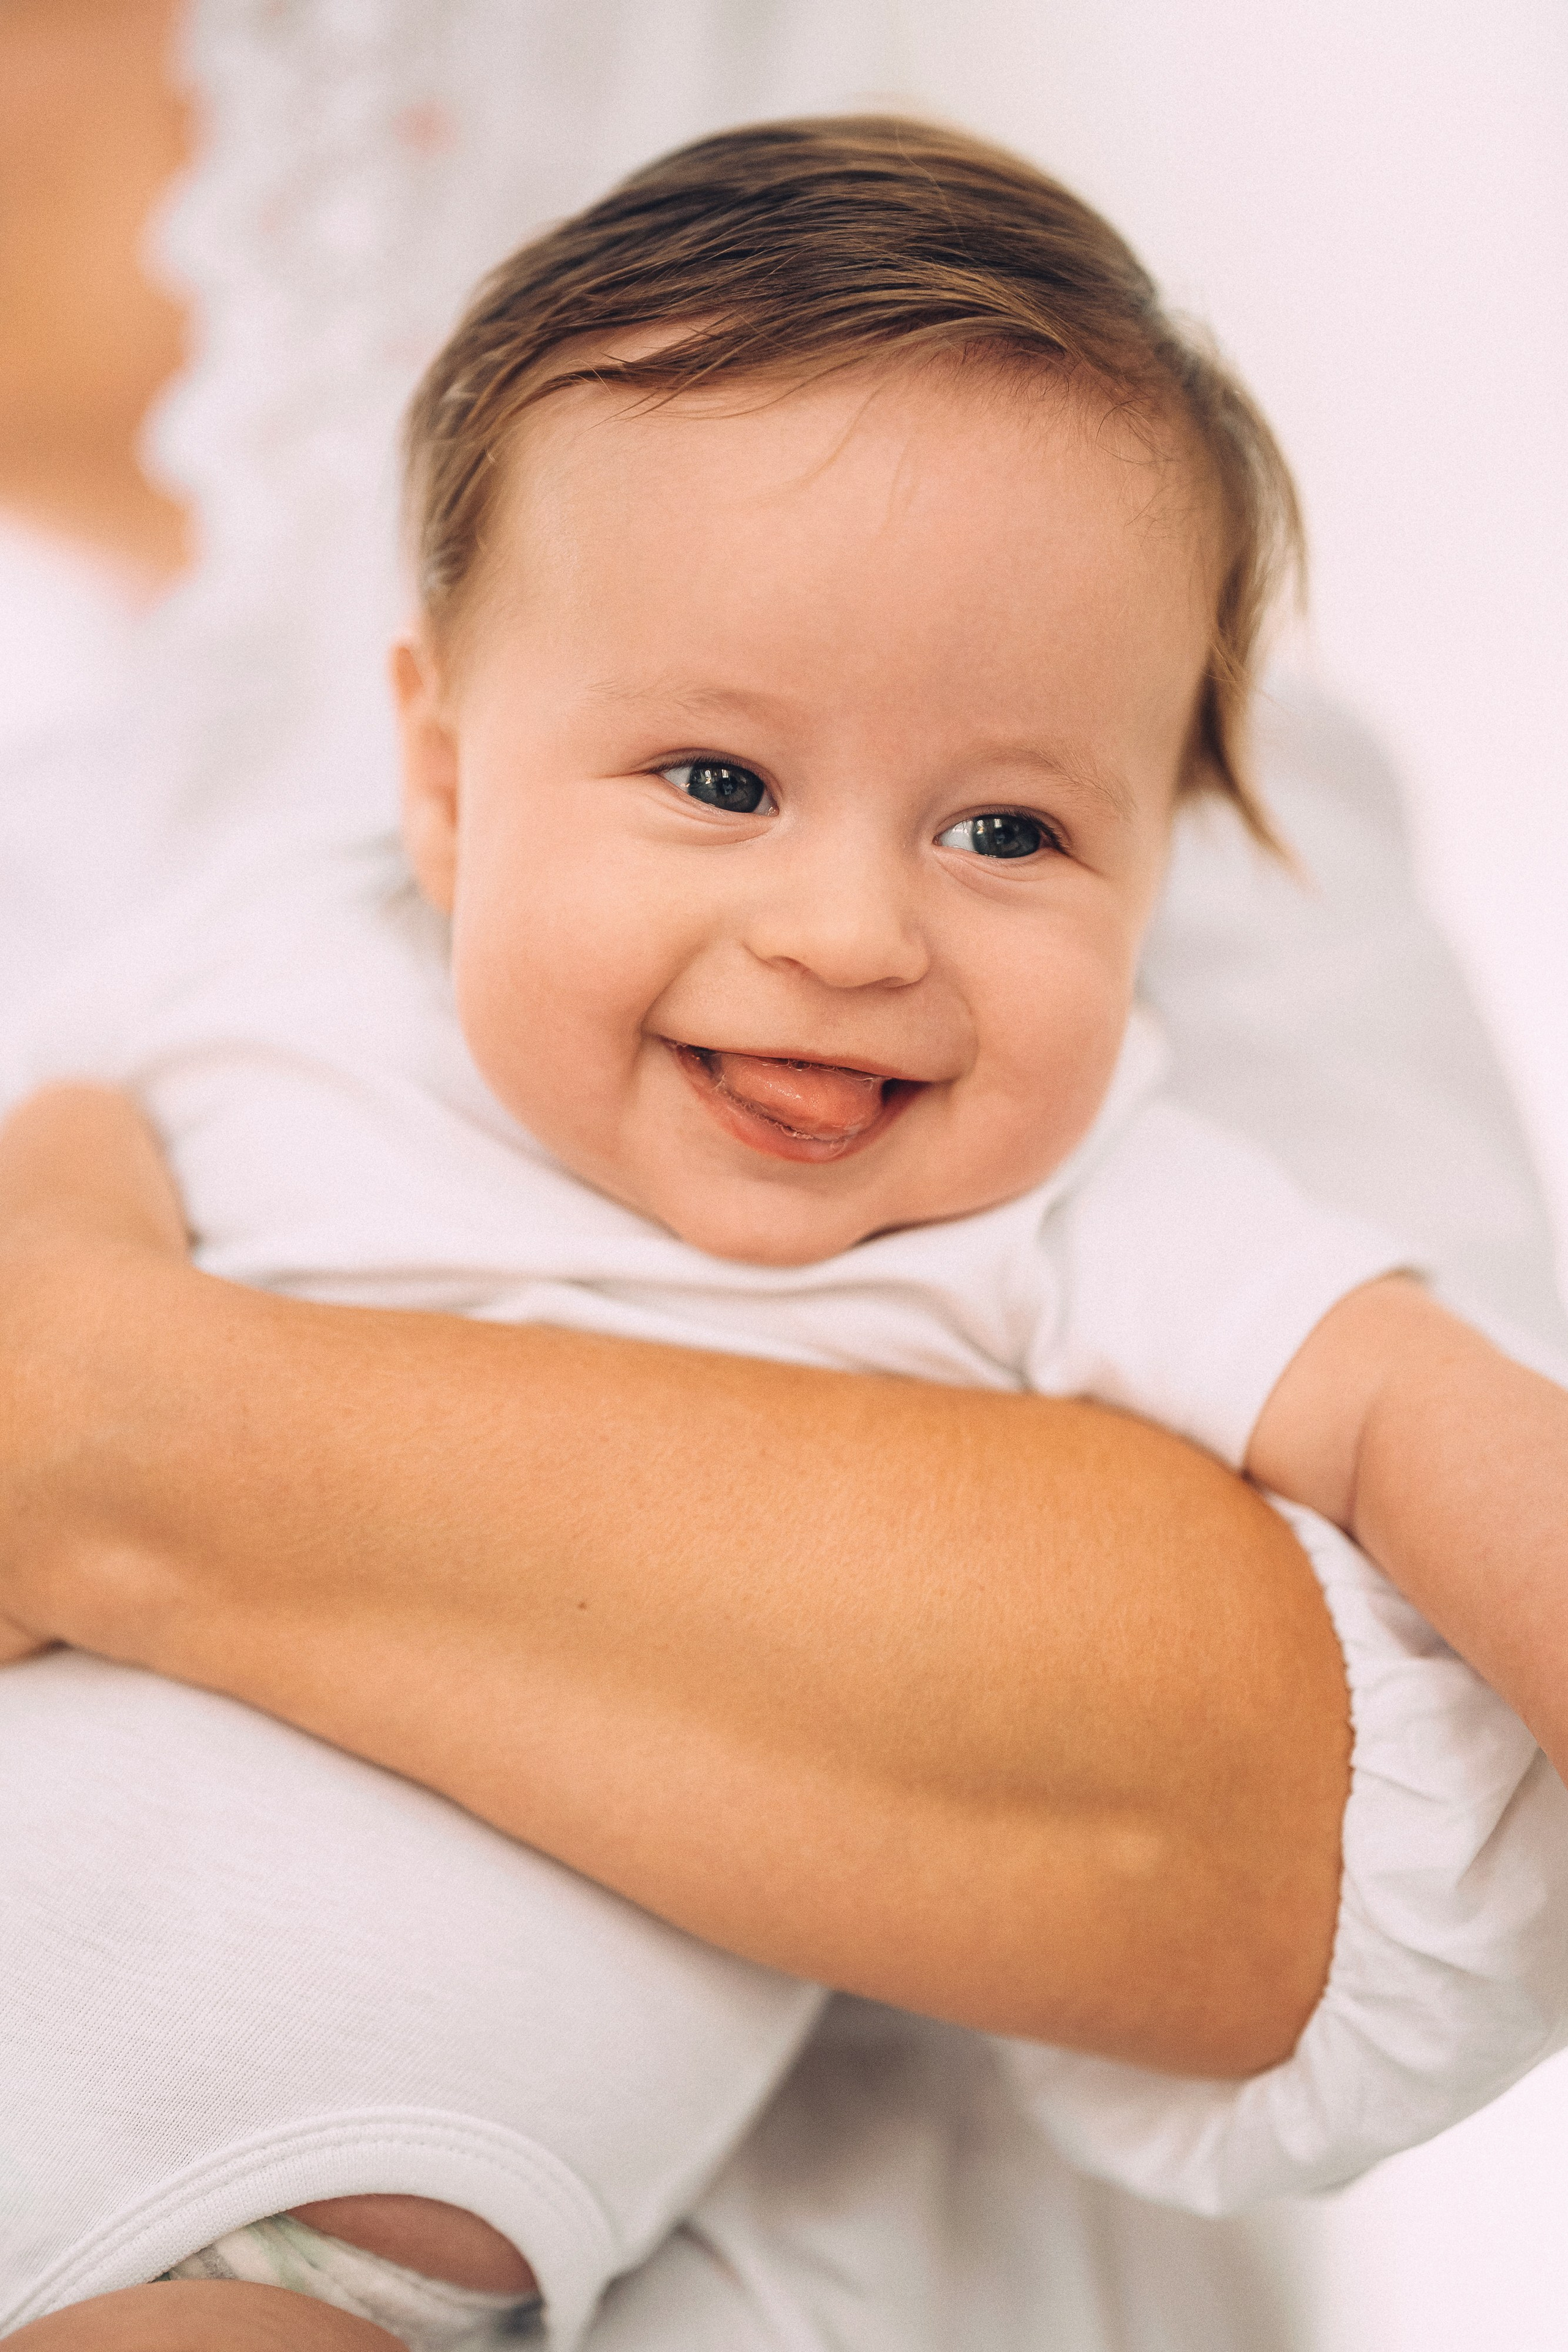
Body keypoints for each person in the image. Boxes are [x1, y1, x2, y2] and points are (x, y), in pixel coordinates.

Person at [6, 115, 1568, 2352]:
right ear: (442, 783)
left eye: (1008, 828)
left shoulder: (1093, 1208)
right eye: (720, 783)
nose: (848, 932)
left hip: (275, 2237)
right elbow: (39, 1257)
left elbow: (1435, 1420)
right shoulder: (271, 967)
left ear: (1166, 864)